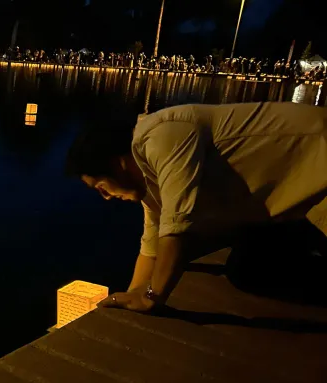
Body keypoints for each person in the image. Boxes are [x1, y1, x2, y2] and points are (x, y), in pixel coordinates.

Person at [67, 102, 327, 313]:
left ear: (118, 164)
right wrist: (131, 296)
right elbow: (153, 243)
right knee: (248, 264)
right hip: (294, 198)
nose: (106, 197)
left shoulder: (163, 136)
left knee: (249, 270)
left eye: (101, 187)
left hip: (319, 166)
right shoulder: (149, 177)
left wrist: (151, 297)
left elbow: (177, 228)